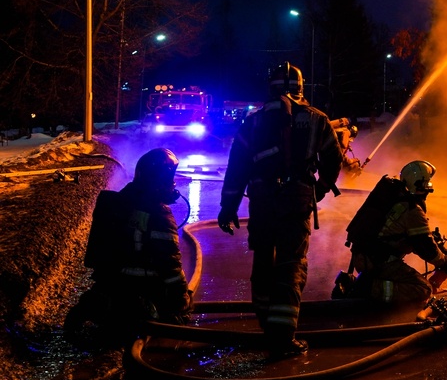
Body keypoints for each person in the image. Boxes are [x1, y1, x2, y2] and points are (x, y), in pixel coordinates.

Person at [217, 63, 342, 357]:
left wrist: (228, 207)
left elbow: (237, 168)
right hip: (296, 200)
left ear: (269, 87)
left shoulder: (253, 122)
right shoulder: (317, 120)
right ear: (301, 87)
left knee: (263, 260)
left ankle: (265, 323)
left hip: (261, 200)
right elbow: (333, 161)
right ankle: (283, 336)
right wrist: (318, 189)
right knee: (291, 263)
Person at [67, 147, 192, 345]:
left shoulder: (114, 202)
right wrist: (182, 303)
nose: (173, 183)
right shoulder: (160, 215)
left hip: (108, 287)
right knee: (178, 315)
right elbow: (171, 268)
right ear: (161, 180)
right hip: (142, 295)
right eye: (170, 178)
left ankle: (99, 308)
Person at [333, 160, 447, 305]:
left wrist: (435, 243)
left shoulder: (396, 198)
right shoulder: (412, 210)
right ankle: (366, 288)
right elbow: (426, 249)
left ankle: (365, 284)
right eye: (427, 183)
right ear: (421, 184)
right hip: (377, 262)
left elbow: (406, 235)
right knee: (423, 288)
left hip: (364, 257)